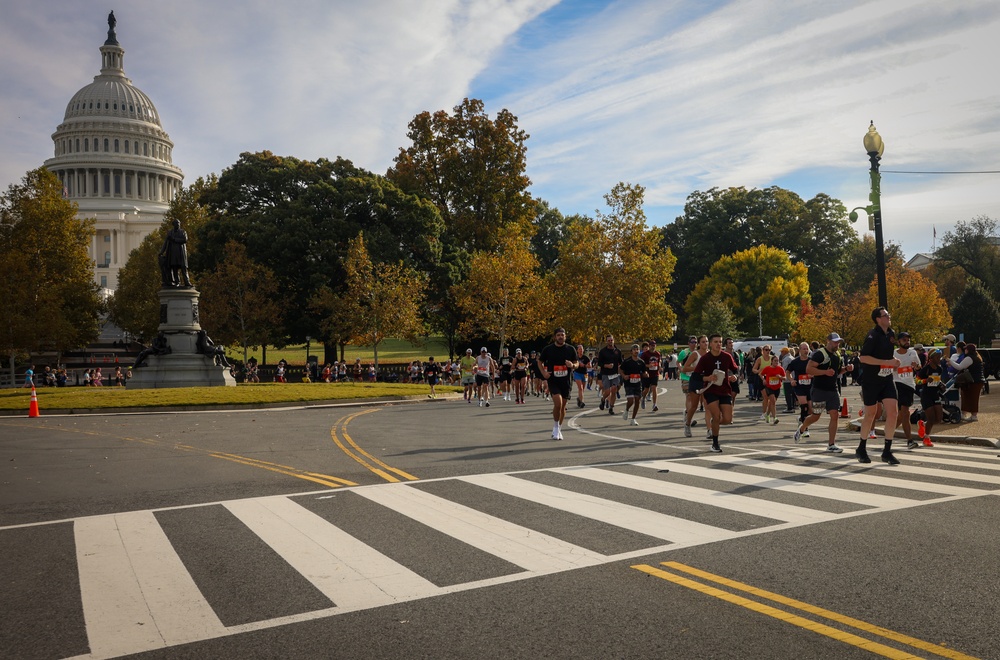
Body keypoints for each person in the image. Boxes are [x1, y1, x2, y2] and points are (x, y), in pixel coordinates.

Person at [858, 307, 901, 465]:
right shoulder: (873, 335)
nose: (889, 317)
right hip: (871, 380)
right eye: (885, 315)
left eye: (888, 314)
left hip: (886, 379)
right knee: (871, 414)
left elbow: (887, 355)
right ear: (878, 319)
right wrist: (886, 362)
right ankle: (861, 448)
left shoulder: (891, 333)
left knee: (893, 412)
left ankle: (887, 451)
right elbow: (863, 358)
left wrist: (894, 362)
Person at [795, 333, 850, 452]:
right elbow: (809, 369)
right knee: (816, 416)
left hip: (833, 389)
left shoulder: (837, 355)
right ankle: (802, 428)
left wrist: (846, 369)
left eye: (838, 342)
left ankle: (831, 444)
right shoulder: (820, 354)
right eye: (835, 342)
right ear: (828, 341)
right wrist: (824, 372)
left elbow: (837, 371)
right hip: (819, 390)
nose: (837, 344)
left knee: (835, 415)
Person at [692, 334, 740, 453]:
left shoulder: (727, 356)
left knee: (727, 419)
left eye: (720, 342)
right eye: (716, 342)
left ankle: (714, 423)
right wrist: (707, 378)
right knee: (716, 415)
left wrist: (735, 376)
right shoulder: (705, 359)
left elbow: (736, 369)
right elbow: (696, 376)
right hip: (710, 390)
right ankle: (715, 443)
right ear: (710, 344)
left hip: (725, 390)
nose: (718, 344)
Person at [538, 327, 579, 440]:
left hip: (566, 381)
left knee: (563, 407)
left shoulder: (570, 349)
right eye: (558, 335)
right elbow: (540, 361)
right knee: (558, 404)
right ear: (555, 337)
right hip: (553, 380)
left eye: (562, 335)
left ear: (565, 336)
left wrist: (573, 365)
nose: (560, 337)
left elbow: (576, 363)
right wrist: (544, 373)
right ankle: (556, 428)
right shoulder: (548, 349)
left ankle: (558, 428)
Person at [892, 332, 926, 448]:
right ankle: (910, 440)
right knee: (905, 413)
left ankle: (889, 434)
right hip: (897, 383)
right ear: (899, 342)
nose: (907, 342)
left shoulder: (913, 353)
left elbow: (918, 367)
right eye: (904, 340)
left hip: (909, 385)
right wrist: (894, 367)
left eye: (908, 340)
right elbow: (887, 368)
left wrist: (916, 366)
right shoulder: (893, 353)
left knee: (902, 415)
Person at [917, 350, 948, 446]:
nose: (939, 359)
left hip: (935, 394)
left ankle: (923, 424)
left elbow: (937, 380)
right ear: (931, 358)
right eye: (937, 357)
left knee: (938, 419)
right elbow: (917, 381)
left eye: (940, 357)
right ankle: (926, 438)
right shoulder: (925, 369)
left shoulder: (939, 369)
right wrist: (925, 380)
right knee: (931, 418)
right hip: (926, 395)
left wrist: (942, 384)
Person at [681, 336, 709, 437]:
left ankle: (709, 429)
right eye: (703, 342)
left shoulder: (710, 354)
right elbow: (685, 368)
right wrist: (696, 368)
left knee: (707, 405)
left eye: (706, 341)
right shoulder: (695, 354)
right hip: (696, 380)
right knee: (694, 406)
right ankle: (687, 424)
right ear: (699, 344)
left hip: (706, 380)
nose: (705, 343)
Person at [951, 343, 985, 421]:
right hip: (978, 380)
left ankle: (973, 415)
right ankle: (967, 414)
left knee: (970, 397)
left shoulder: (969, 358)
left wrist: (950, 361)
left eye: (966, 349)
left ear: (969, 350)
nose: (965, 350)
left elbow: (960, 367)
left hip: (973, 381)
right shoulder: (977, 357)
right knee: (972, 397)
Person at [786, 343, 813, 434]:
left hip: (810, 387)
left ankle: (801, 419)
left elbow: (818, 371)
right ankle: (805, 429)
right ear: (800, 350)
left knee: (811, 410)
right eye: (804, 349)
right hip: (799, 387)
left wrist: (813, 375)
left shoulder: (812, 361)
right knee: (804, 406)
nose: (806, 351)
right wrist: (791, 380)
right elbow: (788, 372)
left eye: (807, 349)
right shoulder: (795, 362)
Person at [619, 344, 648, 425]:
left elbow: (644, 371)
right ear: (631, 351)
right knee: (631, 400)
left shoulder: (641, 362)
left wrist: (646, 374)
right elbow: (620, 369)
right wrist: (624, 376)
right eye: (634, 350)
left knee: (637, 400)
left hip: (638, 383)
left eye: (637, 349)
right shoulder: (627, 361)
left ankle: (633, 419)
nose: (636, 351)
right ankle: (627, 410)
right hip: (629, 383)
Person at [597, 335, 623, 415]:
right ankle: (603, 400)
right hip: (605, 374)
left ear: (613, 340)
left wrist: (621, 368)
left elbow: (621, 362)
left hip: (615, 374)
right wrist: (607, 366)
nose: (610, 342)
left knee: (614, 390)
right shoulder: (603, 351)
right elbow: (599, 363)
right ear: (606, 341)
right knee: (607, 392)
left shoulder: (617, 351)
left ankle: (611, 407)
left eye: (611, 340)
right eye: (609, 340)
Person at [758, 349, 785, 425]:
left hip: (777, 387)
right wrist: (763, 380)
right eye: (775, 361)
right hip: (769, 387)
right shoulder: (767, 368)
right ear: (772, 361)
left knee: (772, 402)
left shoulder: (780, 369)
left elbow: (785, 377)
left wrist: (780, 377)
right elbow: (760, 374)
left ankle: (767, 414)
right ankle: (775, 418)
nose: (776, 362)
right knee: (772, 401)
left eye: (777, 361)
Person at [640, 339, 663, 412]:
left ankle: (654, 404)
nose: (653, 347)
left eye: (654, 345)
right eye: (652, 346)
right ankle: (643, 398)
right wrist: (648, 365)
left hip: (655, 373)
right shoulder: (645, 354)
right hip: (647, 373)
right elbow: (641, 364)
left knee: (654, 388)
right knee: (646, 389)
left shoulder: (657, 354)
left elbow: (659, 361)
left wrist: (659, 367)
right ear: (649, 346)